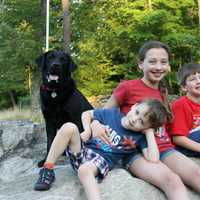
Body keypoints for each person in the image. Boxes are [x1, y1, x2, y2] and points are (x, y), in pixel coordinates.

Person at [91, 40, 200, 199]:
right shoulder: (128, 87)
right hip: (136, 150)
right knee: (172, 180)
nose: (158, 67)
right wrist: (95, 125)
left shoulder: (163, 91)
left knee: (197, 174)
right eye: (152, 62)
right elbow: (103, 113)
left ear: (168, 66)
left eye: (163, 62)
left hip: (163, 147)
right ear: (141, 64)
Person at [34, 99, 170, 200]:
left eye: (142, 122)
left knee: (84, 170)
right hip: (82, 150)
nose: (135, 119)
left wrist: (149, 133)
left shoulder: (139, 138)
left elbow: (153, 158)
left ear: (146, 127)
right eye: (137, 112)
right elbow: (87, 114)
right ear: (134, 106)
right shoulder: (112, 114)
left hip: (101, 160)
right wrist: (88, 130)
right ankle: (48, 169)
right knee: (68, 127)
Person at [170, 63, 200, 156]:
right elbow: (177, 138)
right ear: (184, 87)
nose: (198, 81)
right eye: (193, 79)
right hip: (185, 146)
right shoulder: (180, 105)